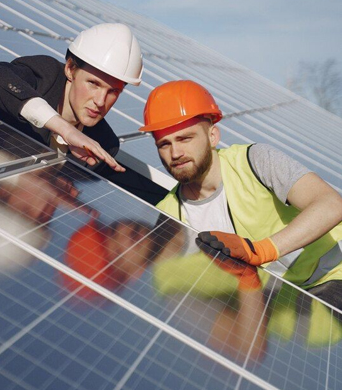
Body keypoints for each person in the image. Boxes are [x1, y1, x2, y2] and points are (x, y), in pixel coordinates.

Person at [141, 80, 342, 307]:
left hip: (334, 273)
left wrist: (261, 250)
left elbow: (331, 204)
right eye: (164, 144)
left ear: (213, 136)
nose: (175, 153)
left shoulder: (254, 161)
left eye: (185, 138)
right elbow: (164, 289)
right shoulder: (168, 215)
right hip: (283, 304)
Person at [0, 23, 143, 172]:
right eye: (93, 84)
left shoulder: (105, 143)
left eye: (113, 91)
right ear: (70, 69)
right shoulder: (45, 75)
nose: (100, 101)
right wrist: (66, 129)